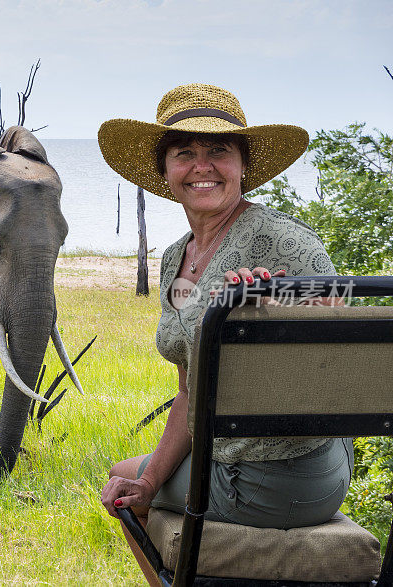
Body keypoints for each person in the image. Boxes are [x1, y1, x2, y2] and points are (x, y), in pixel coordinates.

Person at [96, 83, 353, 573]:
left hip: (283, 471)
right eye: (184, 153)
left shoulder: (282, 241)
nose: (202, 165)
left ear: (242, 166)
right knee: (132, 482)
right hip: (240, 457)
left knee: (118, 476)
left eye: (218, 151)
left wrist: (275, 304)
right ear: (165, 170)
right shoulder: (176, 256)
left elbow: (341, 328)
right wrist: (149, 481)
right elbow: (189, 391)